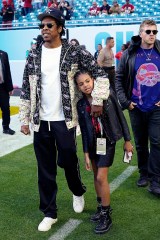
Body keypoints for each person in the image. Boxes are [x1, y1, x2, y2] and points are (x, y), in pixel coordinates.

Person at [19, 8, 110, 232]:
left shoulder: (74, 51)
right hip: (41, 121)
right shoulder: (33, 54)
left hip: (65, 120)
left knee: (69, 161)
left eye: (49, 25)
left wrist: (97, 99)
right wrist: (24, 117)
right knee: (45, 168)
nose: (44, 29)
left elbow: (100, 74)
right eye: (42, 26)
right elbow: (25, 88)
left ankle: (77, 191)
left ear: (60, 28)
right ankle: (49, 213)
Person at [74, 69, 133, 234]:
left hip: (108, 142)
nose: (85, 85)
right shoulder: (81, 105)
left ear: (93, 80)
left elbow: (121, 118)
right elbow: (85, 131)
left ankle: (106, 215)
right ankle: (100, 207)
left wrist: (127, 141)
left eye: (87, 81)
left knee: (101, 177)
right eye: (81, 84)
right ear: (78, 87)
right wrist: (85, 153)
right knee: (95, 177)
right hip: (93, 145)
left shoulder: (106, 95)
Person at [115, 19, 160, 196]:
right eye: (148, 31)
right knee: (141, 144)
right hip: (136, 106)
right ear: (140, 33)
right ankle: (144, 173)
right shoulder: (130, 53)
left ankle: (156, 179)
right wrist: (126, 102)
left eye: (154, 32)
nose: (151, 35)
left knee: (157, 142)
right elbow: (119, 78)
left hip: (156, 107)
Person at [0, 50, 15, 135]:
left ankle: (6, 128)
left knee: (6, 108)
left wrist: (10, 87)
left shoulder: (4, 54)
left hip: (3, 87)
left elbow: (8, 71)